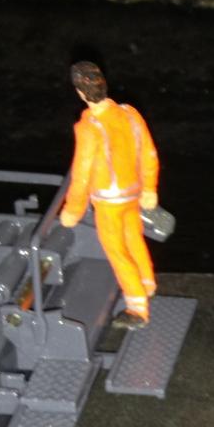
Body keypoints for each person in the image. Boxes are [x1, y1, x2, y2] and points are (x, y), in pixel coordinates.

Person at [59, 60, 160, 328]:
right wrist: (149, 188)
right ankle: (147, 283)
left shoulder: (89, 127)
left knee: (118, 252)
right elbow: (148, 152)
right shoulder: (129, 113)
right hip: (133, 193)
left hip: (108, 202)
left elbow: (82, 174)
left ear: (80, 92)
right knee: (134, 241)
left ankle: (137, 308)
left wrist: (73, 211)